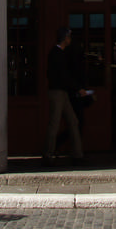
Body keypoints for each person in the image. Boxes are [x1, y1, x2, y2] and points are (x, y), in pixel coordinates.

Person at [42, 26, 87, 166]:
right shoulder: (56, 54)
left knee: (73, 121)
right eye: (68, 36)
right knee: (54, 124)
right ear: (65, 38)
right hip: (57, 92)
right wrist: (78, 88)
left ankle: (77, 154)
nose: (70, 39)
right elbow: (63, 76)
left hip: (63, 92)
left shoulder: (59, 53)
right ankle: (48, 154)